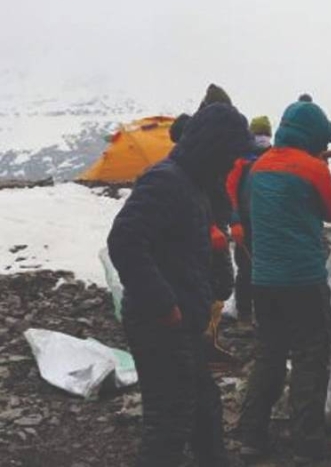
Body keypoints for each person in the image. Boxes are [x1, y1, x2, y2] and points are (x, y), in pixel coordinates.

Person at [108, 103, 253, 467]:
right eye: (229, 155)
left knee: (202, 404)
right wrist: (164, 305)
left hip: (183, 317)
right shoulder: (166, 181)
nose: (232, 164)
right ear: (213, 148)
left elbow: (190, 243)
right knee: (169, 420)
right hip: (158, 321)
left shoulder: (195, 183)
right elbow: (124, 241)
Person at [238, 98, 331, 464]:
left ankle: (252, 435)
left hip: (264, 279)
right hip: (303, 279)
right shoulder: (312, 168)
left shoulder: (259, 166)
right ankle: (307, 442)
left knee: (268, 354)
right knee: (309, 357)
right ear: (313, 135)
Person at [171, 84, 238, 367]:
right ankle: (199, 343)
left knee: (216, 284)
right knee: (213, 282)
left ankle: (207, 339)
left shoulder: (206, 143)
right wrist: (212, 223)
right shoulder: (201, 148)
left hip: (212, 221)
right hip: (206, 225)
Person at [226, 115, 272, 329]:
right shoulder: (241, 160)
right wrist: (235, 221)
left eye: (265, 134)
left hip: (268, 224)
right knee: (246, 270)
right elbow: (230, 191)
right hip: (247, 224)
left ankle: (265, 316)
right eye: (258, 134)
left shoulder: (275, 157)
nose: (262, 138)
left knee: (267, 270)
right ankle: (244, 315)